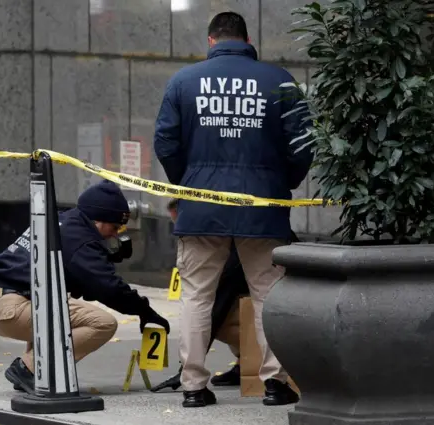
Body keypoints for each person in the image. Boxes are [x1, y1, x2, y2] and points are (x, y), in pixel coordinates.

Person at [153, 12, 313, 408]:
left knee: (196, 296)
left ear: (211, 41)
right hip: (262, 207)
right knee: (268, 295)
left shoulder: (183, 81)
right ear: (247, 39)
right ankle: (274, 383)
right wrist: (283, 184)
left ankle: (193, 386)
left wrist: (188, 181)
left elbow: (166, 143)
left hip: (201, 207)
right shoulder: (278, 80)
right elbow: (304, 143)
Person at [0, 180, 171, 393]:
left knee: (57, 299)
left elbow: (77, 278)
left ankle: (35, 375)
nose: (115, 234)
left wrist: (102, 257)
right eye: (114, 227)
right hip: (9, 308)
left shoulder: (63, 221)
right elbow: (108, 288)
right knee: (102, 323)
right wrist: (144, 310)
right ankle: (30, 369)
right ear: (98, 220)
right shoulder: (81, 241)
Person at [151, 199, 248, 393]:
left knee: (212, 317)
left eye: (179, 221)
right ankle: (249, 365)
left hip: (261, 294)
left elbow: (217, 306)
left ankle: (262, 366)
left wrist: (185, 373)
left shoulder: (226, 246)